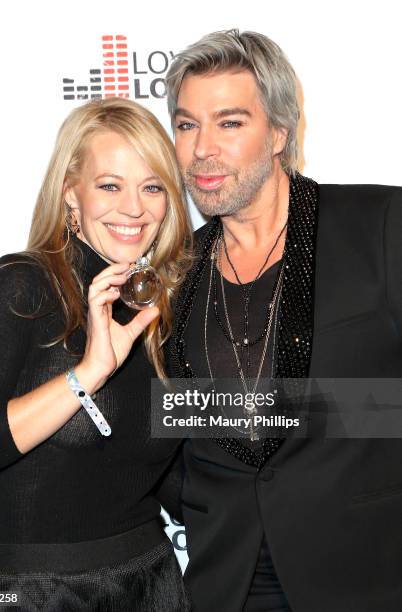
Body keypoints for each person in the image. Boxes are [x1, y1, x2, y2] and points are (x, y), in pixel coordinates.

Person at [164, 29, 402, 612]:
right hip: (228, 586)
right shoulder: (171, 277)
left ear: (278, 132)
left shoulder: (380, 225)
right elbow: (168, 442)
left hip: (370, 580)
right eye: (187, 124)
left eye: (229, 122)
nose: (202, 149)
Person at [0, 97, 192, 611]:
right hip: (37, 596)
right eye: (110, 185)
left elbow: (165, 477)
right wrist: (86, 375)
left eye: (152, 187)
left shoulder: (154, 308)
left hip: (153, 585)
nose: (135, 208)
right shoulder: (21, 289)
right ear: (70, 193)